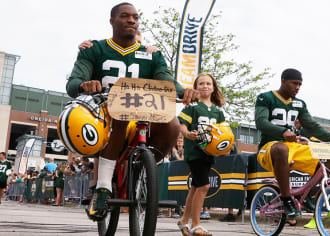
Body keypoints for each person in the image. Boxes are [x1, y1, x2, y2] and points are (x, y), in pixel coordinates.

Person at [66, 2, 198, 221]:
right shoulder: (95, 49)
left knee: (172, 123)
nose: (131, 20)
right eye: (125, 16)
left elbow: (164, 78)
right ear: (112, 21)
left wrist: (183, 91)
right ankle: (103, 188)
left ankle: (145, 172)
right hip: (107, 117)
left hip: (144, 113)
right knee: (119, 114)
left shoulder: (152, 55)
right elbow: (73, 83)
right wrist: (84, 84)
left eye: (135, 17)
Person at [255, 68, 330, 219]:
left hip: (293, 147)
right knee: (282, 149)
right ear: (283, 81)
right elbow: (260, 122)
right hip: (270, 147)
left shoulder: (299, 104)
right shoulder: (265, 97)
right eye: (294, 83)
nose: (297, 87)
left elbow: (312, 126)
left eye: (300, 84)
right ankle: (286, 199)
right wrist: (282, 132)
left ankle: (307, 193)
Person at [177, 73, 226, 236]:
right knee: (204, 186)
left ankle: (184, 221)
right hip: (194, 151)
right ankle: (195, 225)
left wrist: (225, 145)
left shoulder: (218, 112)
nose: (205, 86)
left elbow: (224, 132)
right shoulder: (192, 106)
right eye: (201, 83)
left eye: (208, 83)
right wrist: (187, 134)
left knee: (195, 187)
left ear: (213, 88)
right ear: (196, 87)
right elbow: (182, 125)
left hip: (209, 153)